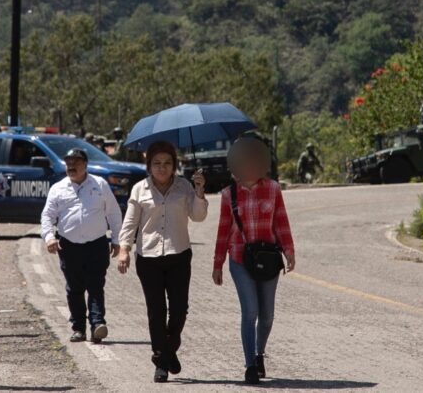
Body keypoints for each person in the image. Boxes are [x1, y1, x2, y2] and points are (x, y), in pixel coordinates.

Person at [117, 141, 208, 383]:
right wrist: (124, 249)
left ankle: (167, 351)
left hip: (179, 254)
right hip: (148, 258)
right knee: (156, 311)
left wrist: (199, 192)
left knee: (179, 310)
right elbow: (130, 223)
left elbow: (198, 216)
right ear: (149, 165)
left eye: (167, 163)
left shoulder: (185, 186)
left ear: (174, 165)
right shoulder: (140, 189)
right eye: (156, 163)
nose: (162, 168)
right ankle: (162, 360)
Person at [212, 135, 295, 385]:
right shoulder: (229, 195)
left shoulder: (273, 189)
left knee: (267, 315)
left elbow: (281, 221)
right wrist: (218, 264)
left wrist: (289, 250)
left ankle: (260, 354)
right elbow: (224, 230)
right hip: (239, 258)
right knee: (250, 311)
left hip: (269, 257)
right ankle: (249, 365)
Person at [40, 148, 123, 344]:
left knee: (95, 286)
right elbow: (47, 216)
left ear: (85, 165)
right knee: (74, 288)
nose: (71, 166)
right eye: (68, 162)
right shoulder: (58, 189)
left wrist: (117, 240)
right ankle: (78, 328)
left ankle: (97, 324)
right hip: (69, 246)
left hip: (96, 244)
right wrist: (49, 237)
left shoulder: (100, 185)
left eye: (76, 162)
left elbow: (113, 213)